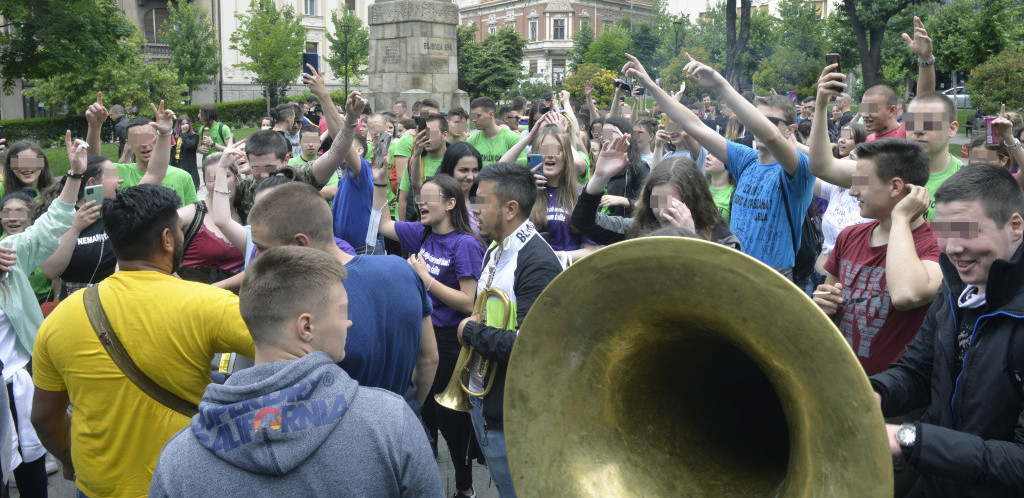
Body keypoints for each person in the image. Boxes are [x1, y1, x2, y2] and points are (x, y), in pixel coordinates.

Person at [149, 246, 443, 497]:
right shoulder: (390, 423)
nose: (349, 323)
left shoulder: (178, 461)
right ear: (306, 327)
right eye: (343, 311)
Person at [31, 182, 256, 498]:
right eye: (178, 230)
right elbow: (288, 353)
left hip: (97, 486)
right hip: (181, 481)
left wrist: (69, 460)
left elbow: (43, 417)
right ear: (167, 239)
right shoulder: (210, 304)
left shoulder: (60, 317)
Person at [868, 164, 1024, 496]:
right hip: (937, 482)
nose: (952, 248)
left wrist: (909, 439)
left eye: (967, 231)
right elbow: (917, 370)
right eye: (944, 231)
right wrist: (870, 393)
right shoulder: (953, 290)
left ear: (1015, 226)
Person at [247, 182, 439, 403]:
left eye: (263, 248)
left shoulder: (306, 306)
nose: (257, 259)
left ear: (300, 244)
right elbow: (429, 359)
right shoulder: (402, 269)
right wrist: (409, 411)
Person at [625, 53, 813, 276]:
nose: (760, 126)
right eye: (757, 118)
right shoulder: (747, 159)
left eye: (770, 122)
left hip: (774, 275)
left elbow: (772, 137)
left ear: (791, 130)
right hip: (734, 268)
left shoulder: (799, 168)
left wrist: (721, 85)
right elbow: (693, 125)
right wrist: (649, 84)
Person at [372, 173, 484, 497]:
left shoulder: (466, 244)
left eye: (430, 197)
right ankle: (425, 481)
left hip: (450, 341)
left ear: (450, 203)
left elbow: (468, 302)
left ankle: (465, 488)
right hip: (421, 338)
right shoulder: (422, 233)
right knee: (423, 414)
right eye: (420, 196)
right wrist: (381, 182)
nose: (421, 202)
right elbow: (383, 225)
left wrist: (425, 279)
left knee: (451, 421)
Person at [458, 162, 561, 497]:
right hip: (486, 401)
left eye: (482, 201)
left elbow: (530, 345)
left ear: (510, 208)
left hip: (510, 416)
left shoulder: (536, 261)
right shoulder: (495, 247)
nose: (474, 209)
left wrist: (470, 333)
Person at [0, 135, 88, 496]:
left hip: (18, 379)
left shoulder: (8, 253)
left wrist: (75, 174)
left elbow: (49, 227)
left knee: (32, 465)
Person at [812, 139, 942, 376]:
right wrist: (822, 301)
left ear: (895, 187)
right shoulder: (850, 235)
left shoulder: (937, 244)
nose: (852, 192)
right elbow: (825, 294)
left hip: (891, 396)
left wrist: (901, 219)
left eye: (861, 182)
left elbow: (907, 295)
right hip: (839, 375)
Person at [811, 68, 960, 221]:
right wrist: (821, 105)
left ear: (952, 128)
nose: (918, 130)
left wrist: (925, 62)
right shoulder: (882, 172)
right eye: (912, 122)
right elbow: (822, 167)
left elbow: (971, 236)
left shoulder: (966, 181)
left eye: (929, 122)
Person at [573, 137, 740, 248]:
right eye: (658, 201)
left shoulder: (723, 240)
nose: (662, 211)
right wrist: (600, 178)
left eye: (672, 203)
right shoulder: (641, 228)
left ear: (693, 201)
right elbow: (584, 222)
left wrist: (690, 238)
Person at [84, 96, 198, 207]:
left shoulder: (182, 177)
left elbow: (194, 218)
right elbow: (93, 166)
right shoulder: (117, 173)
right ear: (128, 144)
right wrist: (94, 127)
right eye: (137, 139)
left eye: (148, 138)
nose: (144, 144)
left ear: (158, 140)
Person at [38, 155, 120, 300]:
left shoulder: (119, 212)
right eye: (113, 176)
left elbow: (153, 175)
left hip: (114, 298)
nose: (120, 181)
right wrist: (75, 228)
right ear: (92, 183)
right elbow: (51, 271)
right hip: (75, 304)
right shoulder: (62, 218)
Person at [398, 114, 450, 222]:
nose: (426, 137)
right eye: (423, 133)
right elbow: (403, 199)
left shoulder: (456, 161)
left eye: (431, 133)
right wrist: (403, 231)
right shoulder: (414, 161)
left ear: (445, 135)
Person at [598, 117, 650, 218]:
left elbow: (653, 202)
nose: (605, 136)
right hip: (599, 222)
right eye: (603, 132)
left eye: (609, 132)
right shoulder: (600, 165)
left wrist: (624, 201)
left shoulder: (639, 167)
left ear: (624, 136)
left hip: (625, 225)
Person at [466, 97, 526, 166]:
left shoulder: (513, 139)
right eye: (473, 116)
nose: (474, 120)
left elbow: (522, 167)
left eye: (478, 116)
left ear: (491, 114)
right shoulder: (471, 141)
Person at [438, 142, 483, 232]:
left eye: (475, 170)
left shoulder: (479, 200)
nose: (470, 177)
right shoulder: (435, 195)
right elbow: (417, 191)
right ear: (449, 169)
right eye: (464, 170)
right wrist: (417, 156)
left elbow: (499, 168)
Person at [171, 114, 201, 189]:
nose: (185, 125)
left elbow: (190, 146)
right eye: (183, 124)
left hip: (189, 168)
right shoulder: (174, 136)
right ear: (178, 125)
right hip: (176, 166)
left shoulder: (194, 136)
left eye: (187, 123)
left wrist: (184, 133)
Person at [705, 152, 736, 223]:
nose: (707, 157)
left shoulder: (735, 194)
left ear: (729, 162)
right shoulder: (700, 188)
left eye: (715, 154)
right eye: (708, 153)